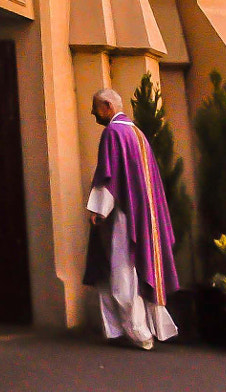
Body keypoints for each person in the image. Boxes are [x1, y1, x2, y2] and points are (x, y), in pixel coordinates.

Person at [82, 88, 179, 348]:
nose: (92, 113)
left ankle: (139, 333)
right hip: (144, 215)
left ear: (107, 106)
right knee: (134, 269)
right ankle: (137, 329)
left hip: (124, 216)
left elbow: (109, 174)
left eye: (95, 107)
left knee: (122, 273)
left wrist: (98, 211)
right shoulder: (137, 133)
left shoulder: (113, 133)